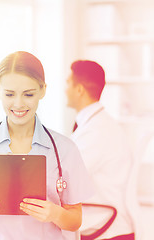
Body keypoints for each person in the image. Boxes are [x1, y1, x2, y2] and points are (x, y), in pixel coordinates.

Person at [0, 51, 94, 239]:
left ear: (42, 90)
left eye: (28, 94)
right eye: (9, 94)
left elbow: (75, 219)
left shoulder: (65, 149)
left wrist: (55, 213)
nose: (18, 104)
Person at [65, 60, 135, 239]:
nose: (65, 89)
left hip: (109, 231)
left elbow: (69, 178)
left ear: (79, 89)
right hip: (104, 226)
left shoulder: (97, 131)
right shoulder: (96, 124)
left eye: (68, 83)